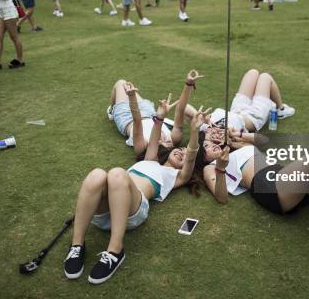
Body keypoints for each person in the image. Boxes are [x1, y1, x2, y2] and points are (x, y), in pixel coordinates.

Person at [63, 101, 205, 284]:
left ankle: (115, 251)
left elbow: (192, 155)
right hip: (106, 210)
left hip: (133, 211)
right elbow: (154, 139)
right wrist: (160, 116)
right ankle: (77, 246)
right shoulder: (150, 160)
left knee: (116, 174)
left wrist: (194, 132)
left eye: (185, 155)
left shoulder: (176, 176)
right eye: (180, 149)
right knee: (96, 175)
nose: (182, 152)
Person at [107, 70, 203, 154]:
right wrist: (189, 84)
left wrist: (132, 97)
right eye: (170, 146)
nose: (168, 142)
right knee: (126, 85)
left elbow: (137, 121)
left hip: (128, 117)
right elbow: (180, 109)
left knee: (121, 83)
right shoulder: (174, 138)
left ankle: (112, 111)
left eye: (162, 145)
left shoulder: (142, 147)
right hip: (151, 114)